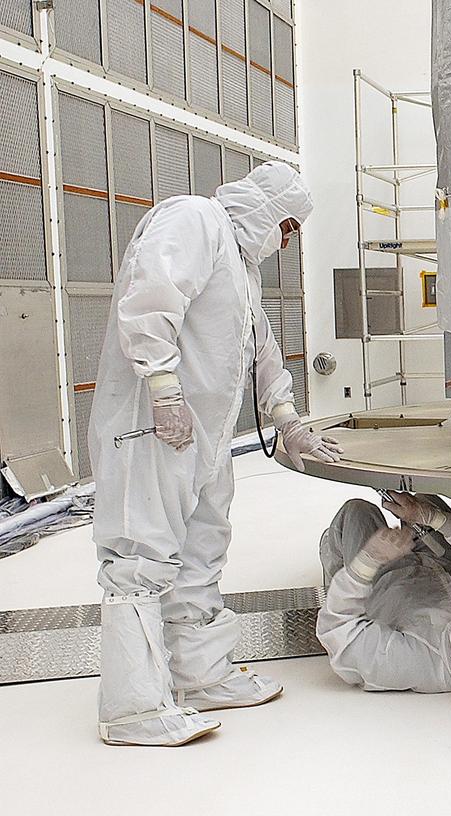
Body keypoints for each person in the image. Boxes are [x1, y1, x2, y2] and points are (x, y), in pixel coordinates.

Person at [92, 163, 342, 747]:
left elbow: (261, 350)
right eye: (285, 226)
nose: (285, 241)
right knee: (143, 555)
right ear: (263, 206)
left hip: (204, 436)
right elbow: (151, 298)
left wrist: (287, 419)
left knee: (202, 550)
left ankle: (200, 675)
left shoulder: (240, 266)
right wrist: (162, 388)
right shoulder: (194, 219)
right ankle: (132, 710)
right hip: (153, 428)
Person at [315, 491, 451, 704]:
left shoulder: (414, 665)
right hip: (446, 560)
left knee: (357, 510)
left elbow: (339, 631)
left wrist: (367, 563)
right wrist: (432, 517)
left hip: (387, 578)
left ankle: (335, 557)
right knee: (426, 499)